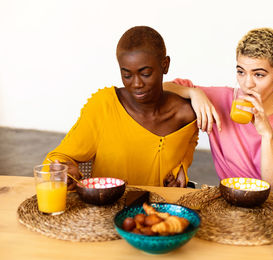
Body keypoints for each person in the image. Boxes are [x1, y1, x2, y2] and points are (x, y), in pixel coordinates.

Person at [164, 27, 273, 195]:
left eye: (259, 75)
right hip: (239, 204)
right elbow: (161, 89)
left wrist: (267, 135)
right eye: (241, 72)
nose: (247, 84)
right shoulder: (222, 100)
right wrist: (193, 93)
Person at [44, 26, 198, 189]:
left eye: (145, 74)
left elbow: (189, 143)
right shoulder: (104, 106)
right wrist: (64, 170)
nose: (137, 84)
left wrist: (180, 170)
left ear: (165, 65)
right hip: (106, 210)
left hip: (158, 212)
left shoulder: (186, 115)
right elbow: (59, 157)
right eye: (127, 75)